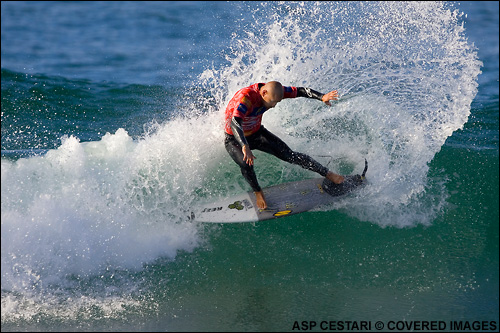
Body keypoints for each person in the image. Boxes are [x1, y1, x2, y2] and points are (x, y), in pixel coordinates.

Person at [224, 81, 344, 210]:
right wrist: (244, 145)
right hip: (234, 139)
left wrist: (321, 97)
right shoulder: (246, 98)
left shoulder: (275, 91)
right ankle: (258, 192)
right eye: (272, 102)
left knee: (290, 155)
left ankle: (328, 174)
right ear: (263, 93)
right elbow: (235, 122)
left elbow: (300, 90)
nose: (274, 106)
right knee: (246, 163)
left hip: (257, 133)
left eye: (277, 102)